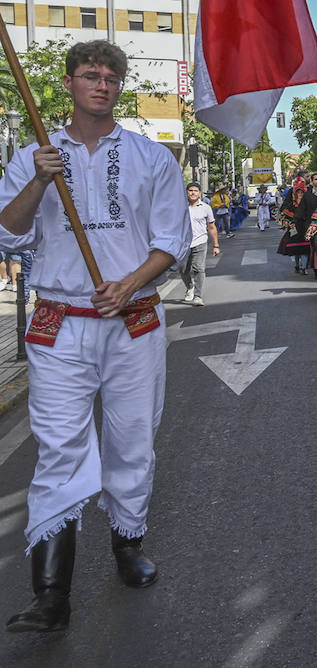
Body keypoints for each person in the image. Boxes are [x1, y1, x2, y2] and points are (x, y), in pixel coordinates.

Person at [0, 40, 191, 633]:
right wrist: (38, 179)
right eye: (90, 75)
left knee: (132, 437)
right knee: (59, 447)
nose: (102, 85)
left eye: (112, 77)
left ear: (120, 86)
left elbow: (173, 239)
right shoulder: (33, 155)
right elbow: (8, 234)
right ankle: (50, 595)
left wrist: (129, 283)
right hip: (59, 322)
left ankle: (128, 544)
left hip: (132, 319)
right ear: (68, 83)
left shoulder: (150, 158)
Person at [181, 183, 219, 306]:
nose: (193, 193)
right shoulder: (179, 207)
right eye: (190, 190)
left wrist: (216, 245)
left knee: (199, 268)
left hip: (200, 242)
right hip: (182, 244)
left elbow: (212, 227)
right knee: (182, 269)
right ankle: (190, 287)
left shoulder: (206, 208)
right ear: (186, 192)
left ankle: (198, 296)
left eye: (195, 191)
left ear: (199, 193)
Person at [277, 176, 311, 274]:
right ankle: (297, 265)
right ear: (294, 194)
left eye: (302, 193)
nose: (300, 195)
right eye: (298, 193)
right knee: (296, 249)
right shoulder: (291, 205)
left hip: (305, 228)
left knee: (305, 249)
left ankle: (304, 268)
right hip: (294, 229)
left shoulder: (308, 204)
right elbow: (284, 215)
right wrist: (286, 224)